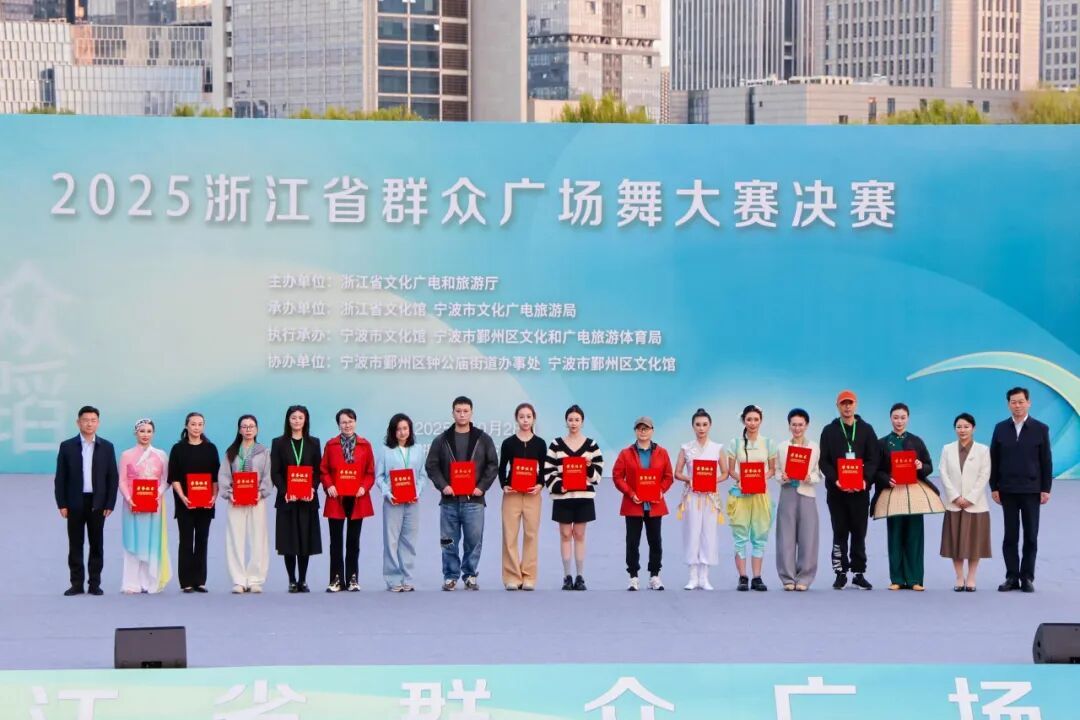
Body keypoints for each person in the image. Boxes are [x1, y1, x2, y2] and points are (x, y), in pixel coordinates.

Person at [425, 396, 499, 591]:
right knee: (448, 541)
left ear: (471, 413)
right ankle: (450, 576)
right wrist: (443, 486)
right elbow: (431, 465)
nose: (462, 414)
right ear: (453, 413)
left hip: (474, 500)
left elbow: (493, 465)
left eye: (466, 411)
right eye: (458, 411)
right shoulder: (441, 440)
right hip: (449, 501)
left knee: (473, 541)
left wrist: (481, 487)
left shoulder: (483, 439)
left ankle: (470, 575)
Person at [871, 403, 941, 591]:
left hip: (914, 494)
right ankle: (897, 579)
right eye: (895, 417)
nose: (899, 421)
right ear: (890, 419)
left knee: (914, 536)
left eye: (902, 417)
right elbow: (875, 470)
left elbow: (929, 466)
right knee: (895, 535)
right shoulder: (882, 443)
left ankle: (915, 579)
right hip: (892, 493)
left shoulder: (917, 441)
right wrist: (886, 479)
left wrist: (920, 466)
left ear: (908, 418)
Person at [990, 387, 1053, 593]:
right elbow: (994, 459)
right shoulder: (1000, 428)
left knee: (1031, 536)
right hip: (1007, 490)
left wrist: (1046, 488)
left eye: (1021, 402)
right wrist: (994, 486)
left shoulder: (1040, 429)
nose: (1017, 406)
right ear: (1008, 404)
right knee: (1010, 536)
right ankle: (1011, 576)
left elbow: (1046, 461)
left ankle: (1027, 577)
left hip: (1031, 490)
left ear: (1029, 403)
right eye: (1013, 402)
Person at [819, 390, 879, 591]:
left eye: (850, 403)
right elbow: (824, 461)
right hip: (837, 492)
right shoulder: (829, 431)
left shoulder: (866, 430)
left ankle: (859, 573)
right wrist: (835, 480)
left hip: (860, 492)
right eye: (843, 403)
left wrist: (864, 480)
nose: (847, 407)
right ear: (837, 406)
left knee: (859, 533)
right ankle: (840, 573)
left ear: (856, 405)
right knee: (840, 532)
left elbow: (873, 459)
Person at [55, 406, 119, 596]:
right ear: (78, 422)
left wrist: (110, 503)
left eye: (93, 420)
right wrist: (62, 503)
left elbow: (112, 477)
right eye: (85, 420)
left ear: (98, 423)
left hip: (98, 503)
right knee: (75, 544)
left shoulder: (107, 447)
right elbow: (60, 477)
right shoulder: (67, 446)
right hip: (74, 502)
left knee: (96, 544)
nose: (89, 424)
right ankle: (76, 584)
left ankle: (94, 584)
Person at [545, 405, 603, 591]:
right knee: (564, 535)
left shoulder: (591, 445)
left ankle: (580, 576)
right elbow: (548, 471)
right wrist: (558, 486)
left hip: (583, 497)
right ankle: (567, 576)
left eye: (577, 420)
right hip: (563, 498)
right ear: (566, 422)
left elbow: (597, 476)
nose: (573, 423)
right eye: (570, 420)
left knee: (579, 535)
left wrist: (588, 466)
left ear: (582, 422)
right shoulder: (556, 444)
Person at [613, 416, 674, 591]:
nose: (643, 431)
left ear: (652, 431)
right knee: (632, 541)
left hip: (654, 504)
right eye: (639, 428)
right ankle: (633, 576)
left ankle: (655, 575)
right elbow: (617, 476)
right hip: (634, 505)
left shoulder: (662, 452)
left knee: (655, 541)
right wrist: (631, 493)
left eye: (646, 428)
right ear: (635, 431)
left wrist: (660, 490)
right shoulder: (626, 453)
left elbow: (668, 476)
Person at [320, 408, 376, 593]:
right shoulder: (331, 445)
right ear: (338, 425)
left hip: (357, 498)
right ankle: (336, 579)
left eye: (350, 421)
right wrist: (329, 485)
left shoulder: (365, 445)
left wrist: (364, 487)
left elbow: (370, 472)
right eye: (343, 422)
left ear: (355, 422)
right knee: (335, 541)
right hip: (336, 498)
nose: (347, 425)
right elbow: (324, 470)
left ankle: (352, 578)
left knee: (353, 540)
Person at [672, 408, 727, 591]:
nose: (701, 428)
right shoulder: (686, 448)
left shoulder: (717, 448)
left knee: (708, 535)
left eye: (704, 424)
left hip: (710, 498)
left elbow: (725, 472)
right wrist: (690, 479)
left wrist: (712, 480)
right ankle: (692, 577)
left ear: (710, 426)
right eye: (698, 425)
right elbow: (677, 472)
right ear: (693, 426)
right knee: (692, 533)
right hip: (692, 496)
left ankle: (704, 577)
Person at [270, 405, 323, 593]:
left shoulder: (314, 443)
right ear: (288, 420)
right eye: (293, 418)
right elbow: (275, 472)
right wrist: (285, 491)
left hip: (308, 500)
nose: (297, 421)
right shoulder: (278, 443)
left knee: (305, 540)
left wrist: (312, 488)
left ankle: (303, 579)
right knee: (289, 541)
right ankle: (292, 580)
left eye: (300, 417)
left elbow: (318, 471)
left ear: (305, 420)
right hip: (287, 500)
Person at [218, 414, 273, 594]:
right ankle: (239, 580)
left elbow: (268, 476)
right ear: (239, 430)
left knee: (258, 538)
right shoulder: (231, 452)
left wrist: (261, 492)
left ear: (257, 429)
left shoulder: (264, 452)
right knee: (235, 538)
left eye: (251, 426)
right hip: (235, 500)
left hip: (257, 500)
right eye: (244, 426)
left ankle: (255, 579)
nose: (248, 430)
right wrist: (229, 493)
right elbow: (224, 475)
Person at [725, 405, 777, 592]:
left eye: (756, 419)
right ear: (743, 421)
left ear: (761, 421)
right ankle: (742, 577)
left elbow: (772, 469)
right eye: (749, 419)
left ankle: (757, 577)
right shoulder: (735, 443)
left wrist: (761, 478)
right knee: (740, 536)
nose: (752, 423)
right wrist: (742, 479)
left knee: (759, 535)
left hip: (760, 495)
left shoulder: (768, 443)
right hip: (741, 495)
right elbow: (731, 470)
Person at [938, 413, 992, 592]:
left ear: (973, 428)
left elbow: (984, 475)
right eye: (959, 427)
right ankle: (959, 577)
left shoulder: (983, 450)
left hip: (976, 505)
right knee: (955, 542)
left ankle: (971, 578)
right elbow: (943, 473)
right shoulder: (947, 449)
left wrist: (970, 498)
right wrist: (955, 497)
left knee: (975, 543)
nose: (962, 430)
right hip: (954, 504)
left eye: (966, 427)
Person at [375, 413, 427, 592]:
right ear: (392, 431)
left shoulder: (418, 449)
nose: (402, 432)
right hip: (393, 502)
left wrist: (417, 492)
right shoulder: (385, 450)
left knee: (409, 541)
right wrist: (388, 493)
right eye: (398, 429)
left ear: (410, 430)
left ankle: (407, 577)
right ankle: (392, 579)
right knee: (391, 541)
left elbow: (422, 475)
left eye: (405, 428)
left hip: (413, 502)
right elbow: (379, 477)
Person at [118, 419, 171, 594]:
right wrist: (129, 498)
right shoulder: (126, 455)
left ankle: (150, 581)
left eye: (149, 431)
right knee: (133, 540)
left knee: (151, 541)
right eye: (142, 431)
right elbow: (122, 480)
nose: (145, 435)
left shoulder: (161, 455)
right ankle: (131, 583)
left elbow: (166, 480)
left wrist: (157, 494)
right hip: (132, 504)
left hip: (154, 504)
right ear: (136, 433)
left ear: (153, 433)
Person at [168, 412, 220, 593]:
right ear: (186, 426)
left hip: (206, 503)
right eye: (193, 424)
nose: (196, 427)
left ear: (203, 426)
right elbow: (174, 477)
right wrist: (183, 497)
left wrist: (214, 496)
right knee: (186, 540)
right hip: (185, 503)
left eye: (200, 424)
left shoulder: (211, 448)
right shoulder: (178, 449)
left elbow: (215, 477)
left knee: (202, 540)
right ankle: (186, 582)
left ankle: (200, 580)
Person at [498, 403, 547, 591]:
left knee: (531, 535)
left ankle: (529, 576)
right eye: (521, 417)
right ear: (516, 419)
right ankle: (512, 577)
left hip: (533, 495)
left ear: (533, 419)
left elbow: (544, 468)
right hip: (512, 495)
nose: (525, 420)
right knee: (510, 535)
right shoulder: (508, 443)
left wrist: (540, 484)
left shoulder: (540, 443)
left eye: (528, 416)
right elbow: (502, 467)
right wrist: (504, 484)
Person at [774, 408, 821, 592]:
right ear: (789, 426)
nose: (797, 428)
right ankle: (787, 578)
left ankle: (804, 578)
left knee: (808, 537)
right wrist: (782, 477)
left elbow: (818, 473)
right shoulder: (782, 447)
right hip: (787, 493)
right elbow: (777, 470)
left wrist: (811, 478)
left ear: (806, 425)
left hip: (807, 494)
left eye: (800, 424)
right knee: (785, 537)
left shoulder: (814, 447)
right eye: (794, 424)